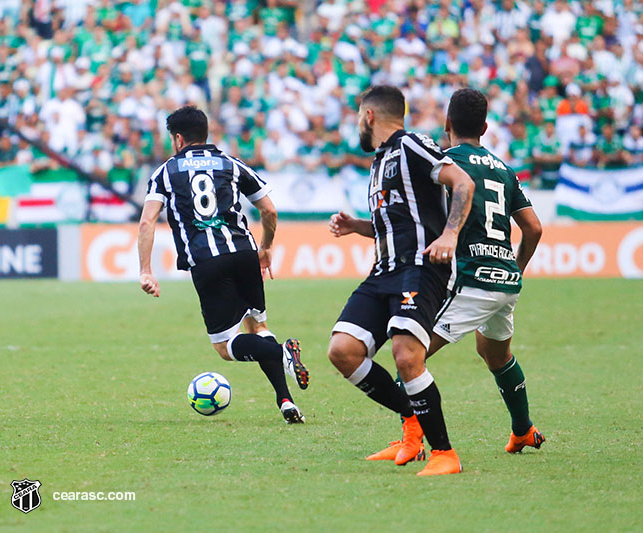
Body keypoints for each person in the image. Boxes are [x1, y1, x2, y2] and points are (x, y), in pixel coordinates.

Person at [327, 86, 474, 476]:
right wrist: (357, 226)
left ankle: (445, 453)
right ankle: (412, 421)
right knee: (342, 350)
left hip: (421, 268)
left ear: (369, 116)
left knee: (407, 355)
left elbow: (463, 182)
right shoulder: (379, 163)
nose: (357, 124)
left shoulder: (410, 144)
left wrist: (450, 235)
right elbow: (394, 221)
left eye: (359, 117)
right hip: (383, 271)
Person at [137, 106, 309, 424]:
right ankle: (285, 400)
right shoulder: (230, 163)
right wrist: (266, 247)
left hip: (206, 260)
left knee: (226, 346)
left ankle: (282, 352)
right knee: (257, 328)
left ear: (177, 139)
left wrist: (146, 270)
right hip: (244, 253)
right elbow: (269, 210)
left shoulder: (165, 172)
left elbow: (148, 222)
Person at [431, 88, 545, 453]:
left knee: (409, 352)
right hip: (505, 280)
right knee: (496, 355)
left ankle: (412, 439)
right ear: (484, 126)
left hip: (470, 278)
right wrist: (515, 268)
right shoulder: (503, 168)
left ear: (447, 124)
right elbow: (534, 228)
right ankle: (523, 429)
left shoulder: (443, 162)